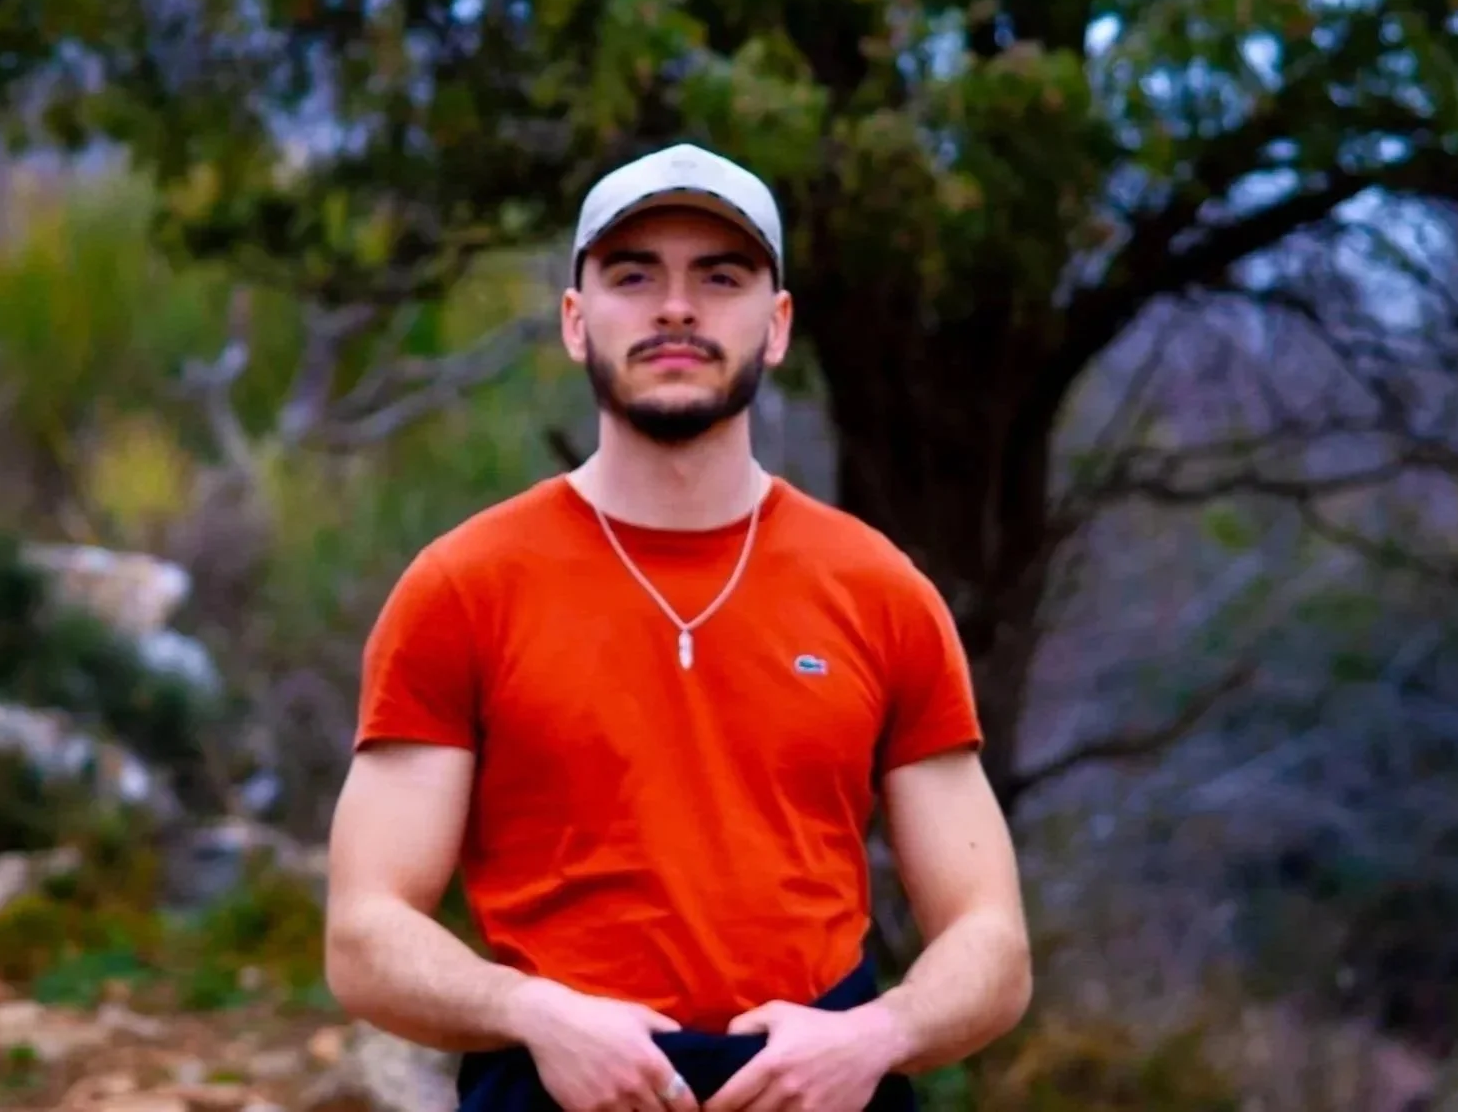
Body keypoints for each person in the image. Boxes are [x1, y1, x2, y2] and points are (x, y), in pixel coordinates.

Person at [323, 142, 1033, 1112]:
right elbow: (363, 932)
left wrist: (877, 1036)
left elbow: (992, 939)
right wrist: (534, 1013)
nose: (675, 308)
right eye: (632, 274)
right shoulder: (464, 587)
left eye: (721, 276)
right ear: (576, 321)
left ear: (776, 325)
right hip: (552, 1089)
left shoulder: (879, 590)